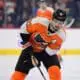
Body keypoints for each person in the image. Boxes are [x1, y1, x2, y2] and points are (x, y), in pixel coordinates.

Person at [11, 9, 67, 80]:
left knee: (55, 70)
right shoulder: (39, 22)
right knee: (20, 72)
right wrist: (29, 49)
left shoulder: (61, 36)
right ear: (51, 19)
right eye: (56, 21)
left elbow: (50, 52)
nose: (57, 25)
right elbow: (22, 32)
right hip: (30, 48)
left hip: (46, 53)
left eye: (60, 23)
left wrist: (38, 58)